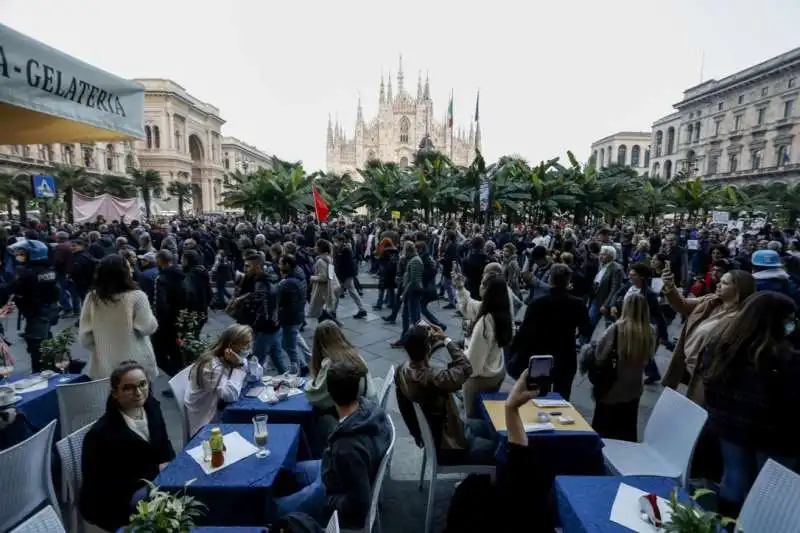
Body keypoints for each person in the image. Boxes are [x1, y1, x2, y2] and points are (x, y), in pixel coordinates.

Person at [702, 291, 800, 516]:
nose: (792, 324)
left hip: (730, 429)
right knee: (771, 493)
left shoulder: (720, 348)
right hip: (776, 439)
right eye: (789, 319)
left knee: (733, 480)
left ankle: (725, 524)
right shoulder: (787, 360)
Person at [275, 361, 392, 529]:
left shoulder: (346, 447)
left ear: (329, 394)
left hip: (335, 494)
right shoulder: (370, 409)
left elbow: (359, 503)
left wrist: (328, 498)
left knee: (274, 510)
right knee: (289, 472)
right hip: (336, 474)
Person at [80, 361, 175, 533]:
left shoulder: (152, 406)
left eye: (142, 384)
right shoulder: (102, 435)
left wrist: (171, 466)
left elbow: (164, 444)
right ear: (115, 393)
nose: (138, 393)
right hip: (117, 503)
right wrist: (157, 473)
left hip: (155, 485)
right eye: (128, 388)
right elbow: (105, 485)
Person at [395, 324, 497, 465]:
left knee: (484, 425)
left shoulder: (401, 370)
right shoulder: (434, 379)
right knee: (498, 448)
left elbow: (404, 407)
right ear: (428, 348)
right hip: (448, 444)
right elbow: (466, 367)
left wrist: (416, 434)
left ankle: (481, 476)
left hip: (436, 434)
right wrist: (447, 340)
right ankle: (480, 481)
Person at [661, 269, 756, 405]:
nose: (718, 284)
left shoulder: (741, 319)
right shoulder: (711, 300)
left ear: (738, 289)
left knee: (697, 409)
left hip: (705, 376)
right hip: (687, 365)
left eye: (724, 283)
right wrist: (670, 286)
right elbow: (682, 305)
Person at [510, 264, 592, 398]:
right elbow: (586, 330)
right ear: (568, 281)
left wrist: (515, 350)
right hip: (566, 354)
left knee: (538, 394)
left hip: (541, 354)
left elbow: (525, 331)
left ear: (550, 280)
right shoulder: (577, 304)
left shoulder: (538, 303)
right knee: (562, 396)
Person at [79, 254, 159, 380]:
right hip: (136, 363)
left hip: (105, 364)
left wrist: (103, 345)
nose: (132, 270)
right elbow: (146, 328)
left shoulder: (92, 298)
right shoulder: (137, 296)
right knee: (140, 396)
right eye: (129, 267)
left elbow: (85, 338)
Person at [591, 293, 656, 441]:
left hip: (612, 387)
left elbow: (600, 355)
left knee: (603, 429)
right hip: (633, 389)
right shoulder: (650, 331)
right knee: (626, 430)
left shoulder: (616, 329)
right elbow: (649, 358)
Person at [305, 320, 377, 442]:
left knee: (316, 415)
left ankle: (320, 448)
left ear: (319, 343)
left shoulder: (330, 363)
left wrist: (308, 383)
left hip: (357, 414)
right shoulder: (353, 353)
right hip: (370, 406)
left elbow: (316, 396)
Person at [453, 273, 511, 418]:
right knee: (487, 415)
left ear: (487, 290)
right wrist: (460, 288)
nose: (479, 286)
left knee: (474, 419)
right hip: (496, 371)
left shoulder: (485, 322)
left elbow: (473, 363)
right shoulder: (500, 311)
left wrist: (458, 353)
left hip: (481, 379)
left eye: (483, 284)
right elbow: (470, 306)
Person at [185, 324, 252, 437]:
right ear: (231, 346)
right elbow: (230, 395)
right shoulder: (211, 366)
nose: (248, 348)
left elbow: (255, 376)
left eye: (250, 344)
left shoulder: (233, 358)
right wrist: (239, 366)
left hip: (220, 410)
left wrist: (242, 363)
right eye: (245, 345)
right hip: (207, 421)